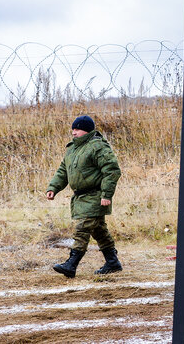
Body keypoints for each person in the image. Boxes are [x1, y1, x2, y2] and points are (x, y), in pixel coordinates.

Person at [46, 115, 122, 278]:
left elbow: (112, 170)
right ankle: (113, 262)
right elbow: (63, 171)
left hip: (96, 195)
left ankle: (71, 264)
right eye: (73, 129)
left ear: (87, 130)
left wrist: (106, 194)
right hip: (81, 197)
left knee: (83, 228)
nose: (73, 132)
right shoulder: (72, 149)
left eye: (77, 129)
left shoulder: (97, 146)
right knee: (98, 230)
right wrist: (53, 187)